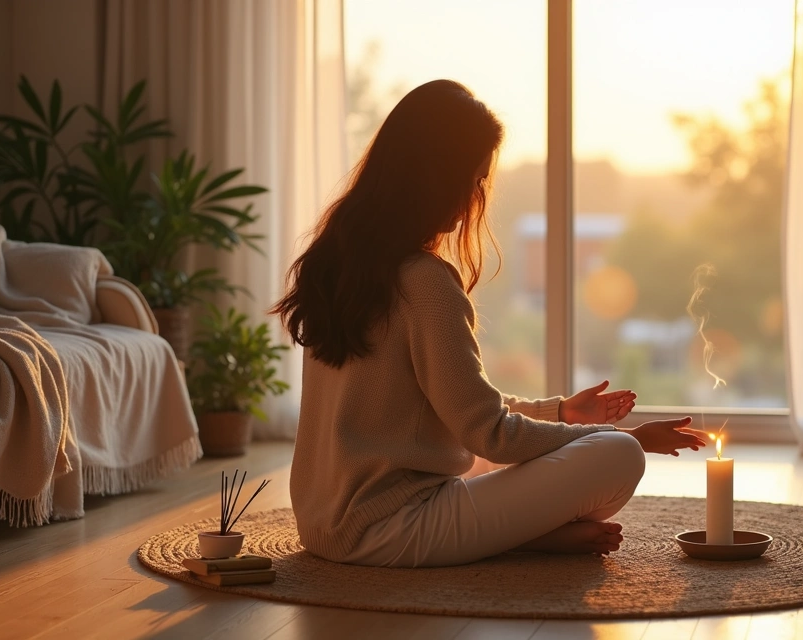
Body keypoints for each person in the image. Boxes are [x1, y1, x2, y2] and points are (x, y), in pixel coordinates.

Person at [273, 79, 706, 568]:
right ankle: (524, 536)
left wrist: (561, 412)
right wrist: (632, 439)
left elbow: (458, 413)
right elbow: (490, 435)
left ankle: (520, 534)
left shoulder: (337, 264)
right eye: (475, 180)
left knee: (479, 455)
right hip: (393, 528)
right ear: (439, 178)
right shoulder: (424, 280)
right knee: (618, 458)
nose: (475, 197)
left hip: (324, 524)